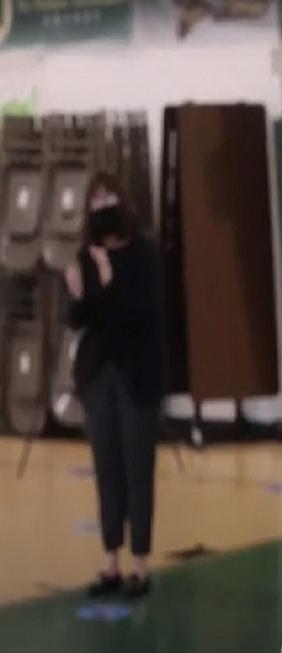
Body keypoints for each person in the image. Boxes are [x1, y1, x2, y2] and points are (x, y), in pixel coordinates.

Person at [65, 171, 166, 599]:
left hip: (137, 373)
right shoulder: (86, 256)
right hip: (98, 374)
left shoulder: (143, 253)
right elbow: (81, 320)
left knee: (137, 467)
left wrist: (108, 283)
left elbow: (139, 314)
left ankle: (139, 562)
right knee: (106, 466)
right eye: (96, 200)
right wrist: (77, 294)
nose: (102, 206)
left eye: (109, 197)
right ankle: (110, 557)